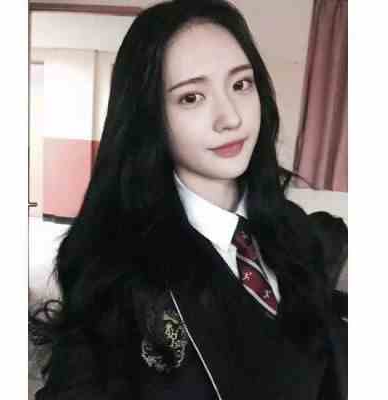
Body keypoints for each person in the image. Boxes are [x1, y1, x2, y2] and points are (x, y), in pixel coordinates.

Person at [30, 0, 348, 399]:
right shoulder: (113, 267)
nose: (231, 118)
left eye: (240, 84)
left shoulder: (293, 227)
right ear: (149, 116)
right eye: (192, 97)